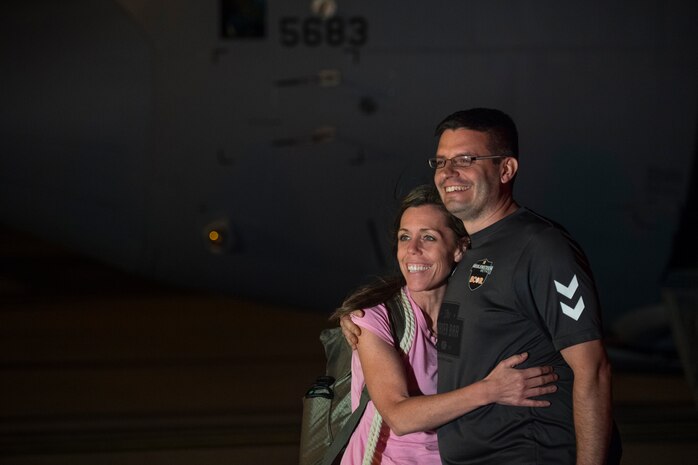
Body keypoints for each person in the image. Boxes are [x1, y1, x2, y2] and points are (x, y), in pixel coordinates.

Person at [341, 108, 622, 464]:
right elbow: (423, 280)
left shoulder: (541, 247)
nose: (448, 173)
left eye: (466, 159)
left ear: (506, 169)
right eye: (441, 161)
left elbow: (593, 370)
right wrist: (364, 314)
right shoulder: (470, 253)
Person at [333, 184, 558, 465]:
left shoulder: (472, 312)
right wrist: (491, 389)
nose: (412, 250)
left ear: (459, 249)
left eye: (428, 237)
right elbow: (398, 415)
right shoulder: (376, 319)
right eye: (405, 237)